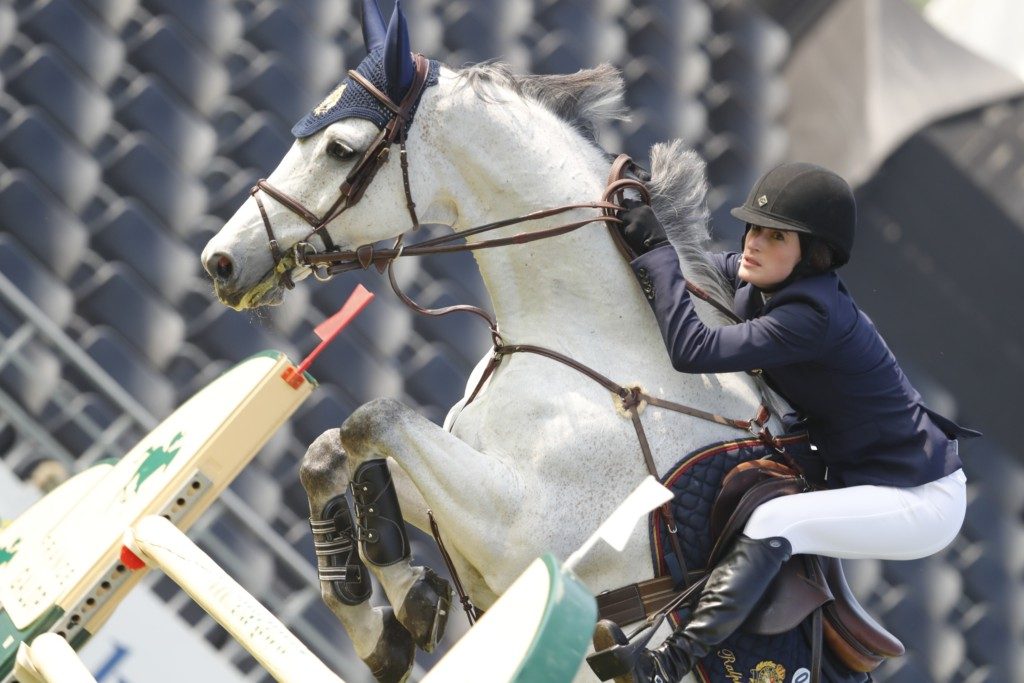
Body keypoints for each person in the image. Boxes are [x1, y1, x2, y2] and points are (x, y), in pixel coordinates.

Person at [590, 162, 978, 683]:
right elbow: (702, 270)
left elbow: (692, 348)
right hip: (855, 468)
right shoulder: (763, 283)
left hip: (921, 501)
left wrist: (659, 255)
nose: (752, 243)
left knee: (777, 524)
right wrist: (643, 235)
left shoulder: (812, 317)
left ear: (813, 255)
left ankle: (665, 667)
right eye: (752, 227)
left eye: (776, 236)